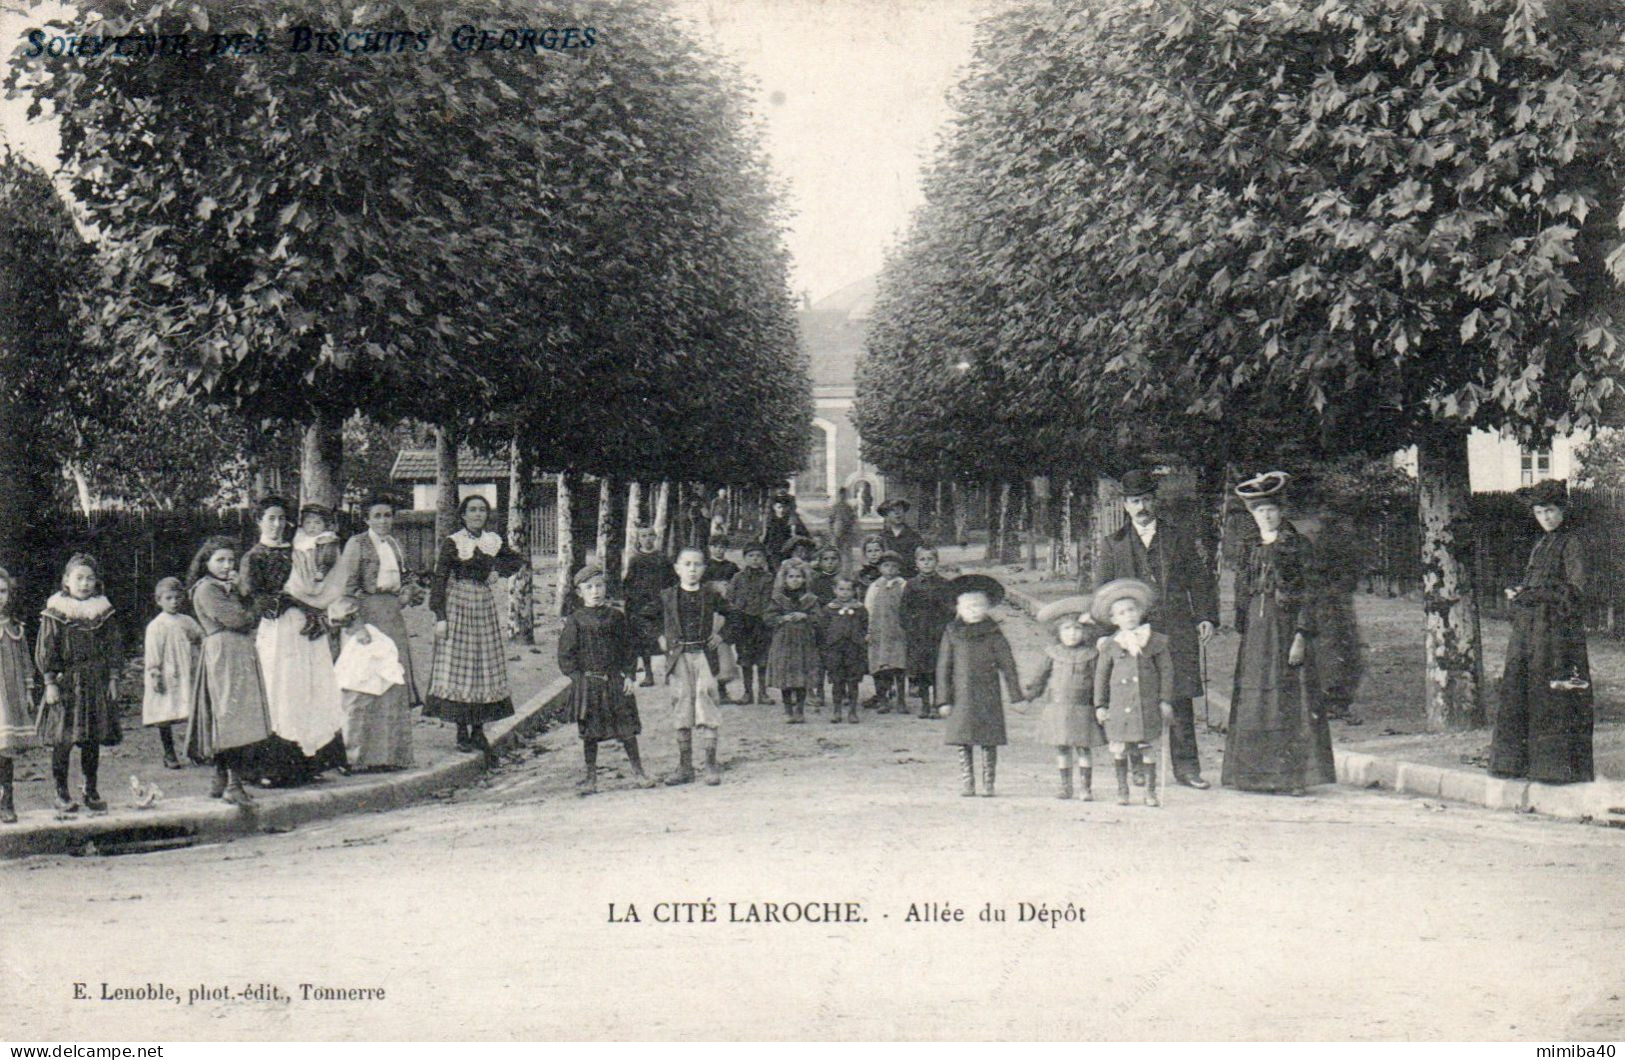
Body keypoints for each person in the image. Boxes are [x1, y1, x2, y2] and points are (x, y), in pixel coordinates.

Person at [1097, 468, 1219, 789]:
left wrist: (1205, 615)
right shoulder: (1114, 545)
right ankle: (1138, 765)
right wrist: (1106, 636)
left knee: (1179, 697)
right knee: (1136, 696)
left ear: (1155, 501)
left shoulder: (1178, 537)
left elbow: (1199, 579)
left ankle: (1188, 768)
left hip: (1176, 629)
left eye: (1147, 499)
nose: (1142, 507)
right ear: (1125, 505)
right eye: (1135, 501)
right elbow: (1103, 593)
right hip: (1133, 632)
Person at [1221, 472, 1336, 796]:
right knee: (1255, 699)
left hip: (1285, 628)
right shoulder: (1249, 546)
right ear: (1252, 514)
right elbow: (1241, 589)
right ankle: (1253, 776)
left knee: (1288, 699)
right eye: (1259, 511)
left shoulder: (1297, 545)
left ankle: (1291, 777)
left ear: (1280, 510)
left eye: (1271, 509)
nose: (1267, 516)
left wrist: (1301, 633)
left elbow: (1311, 592)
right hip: (1257, 632)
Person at [1490, 479, 1595, 784]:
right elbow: (1541, 585)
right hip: (1531, 630)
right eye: (1539, 512)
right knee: (1525, 688)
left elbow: (1575, 590)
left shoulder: (1572, 542)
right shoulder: (1542, 543)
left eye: (1550, 511)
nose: (1546, 518)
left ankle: (1557, 769)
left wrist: (1533, 595)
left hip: (1558, 633)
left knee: (1553, 693)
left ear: (1562, 509)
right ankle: (1521, 765)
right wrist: (1523, 591)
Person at [241, 497, 347, 785]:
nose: (276, 525)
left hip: (306, 626)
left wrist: (316, 610)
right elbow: (255, 599)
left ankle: (308, 762)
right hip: (278, 630)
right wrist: (288, 599)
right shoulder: (254, 556)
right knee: (280, 689)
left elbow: (319, 583)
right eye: (270, 518)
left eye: (281, 519)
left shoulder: (298, 549)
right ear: (259, 521)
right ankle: (272, 767)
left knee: (309, 688)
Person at [427, 494, 527, 754]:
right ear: (463, 515)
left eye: (482, 510)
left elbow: (516, 560)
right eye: (472, 510)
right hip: (458, 603)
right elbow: (439, 579)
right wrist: (440, 616)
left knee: (483, 664)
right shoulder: (454, 542)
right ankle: (461, 731)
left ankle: (479, 730)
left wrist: (498, 571)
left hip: (483, 604)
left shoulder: (493, 540)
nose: (477, 514)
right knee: (460, 666)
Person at [184, 537, 272, 806]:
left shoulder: (226, 588)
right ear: (206, 562)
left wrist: (239, 591)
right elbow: (239, 619)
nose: (226, 565)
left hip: (238, 652)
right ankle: (234, 785)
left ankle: (220, 779)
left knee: (233, 714)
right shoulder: (207, 590)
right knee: (231, 717)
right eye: (219, 560)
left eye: (231, 560)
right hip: (224, 653)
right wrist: (254, 601)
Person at [36, 553, 122, 813]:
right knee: (64, 738)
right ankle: (61, 791)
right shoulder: (57, 612)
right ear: (66, 581)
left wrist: (113, 678)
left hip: (95, 680)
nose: (85, 584)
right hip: (67, 682)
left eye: (90, 579)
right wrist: (50, 681)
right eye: (79, 578)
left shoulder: (102, 611)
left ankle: (90, 789)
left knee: (92, 738)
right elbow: (46, 649)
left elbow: (114, 646)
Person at [558, 564, 654, 795]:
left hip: (615, 682)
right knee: (590, 732)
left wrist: (630, 675)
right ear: (580, 593)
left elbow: (629, 648)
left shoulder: (616, 617)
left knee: (627, 728)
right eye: (589, 587)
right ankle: (591, 778)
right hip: (589, 684)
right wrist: (578, 678)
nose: (595, 591)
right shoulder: (576, 621)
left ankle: (639, 772)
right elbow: (565, 655)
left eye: (599, 585)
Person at [1092, 579, 1174, 807]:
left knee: (1147, 745)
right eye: (1121, 612)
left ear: (1140, 612)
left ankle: (1150, 791)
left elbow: (1167, 672)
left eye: (1132, 610)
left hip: (1146, 705)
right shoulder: (1110, 645)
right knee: (1119, 747)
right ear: (1113, 619)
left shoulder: (1155, 641)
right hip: (1119, 706)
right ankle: (1122, 790)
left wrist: (1165, 700)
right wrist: (1100, 705)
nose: (1128, 616)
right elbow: (1101, 676)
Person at [936, 575, 1021, 797]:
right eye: (969, 606)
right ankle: (968, 782)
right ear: (959, 608)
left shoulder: (994, 633)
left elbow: (1008, 665)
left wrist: (1016, 696)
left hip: (987, 694)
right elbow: (943, 668)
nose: (974, 610)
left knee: (988, 738)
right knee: (963, 740)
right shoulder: (952, 632)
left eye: (979, 605)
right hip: (961, 696)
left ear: (987, 607)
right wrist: (943, 700)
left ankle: (989, 782)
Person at [341, 495, 422, 714]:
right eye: (377, 516)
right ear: (366, 519)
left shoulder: (394, 544)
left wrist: (409, 592)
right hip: (368, 614)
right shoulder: (357, 544)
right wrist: (356, 626)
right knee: (369, 672)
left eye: (387, 516)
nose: (383, 521)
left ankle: (391, 726)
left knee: (394, 666)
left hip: (392, 614)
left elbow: (407, 577)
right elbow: (345, 589)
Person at [1025, 596, 1107, 800]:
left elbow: (1100, 682)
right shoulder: (1053, 653)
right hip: (1058, 709)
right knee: (1062, 748)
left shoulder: (1091, 655)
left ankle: (1085, 787)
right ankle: (1065, 786)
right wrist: (1027, 696)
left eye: (1077, 629)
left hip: (1083, 709)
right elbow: (1040, 678)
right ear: (1058, 633)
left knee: (1083, 749)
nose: (1072, 634)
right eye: (1067, 629)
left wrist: (1101, 704)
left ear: (1085, 632)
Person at [660, 547, 725, 785]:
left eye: (697, 564)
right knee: (681, 703)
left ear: (704, 569)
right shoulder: (667, 596)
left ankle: (710, 764)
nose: (692, 569)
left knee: (706, 700)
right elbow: (644, 618)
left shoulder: (710, 595)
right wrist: (659, 638)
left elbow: (736, 615)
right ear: (677, 569)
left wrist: (722, 635)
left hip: (704, 656)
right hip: (679, 658)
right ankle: (685, 766)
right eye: (686, 564)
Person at [329, 596, 413, 772]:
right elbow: (348, 590)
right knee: (358, 688)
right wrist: (356, 625)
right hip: (359, 625)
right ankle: (351, 756)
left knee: (385, 687)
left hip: (384, 622)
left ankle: (385, 756)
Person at [143, 576, 201, 770]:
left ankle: (195, 750)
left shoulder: (187, 620)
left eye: (177, 598)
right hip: (168, 672)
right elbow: (153, 652)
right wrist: (155, 673)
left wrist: (197, 639)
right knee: (165, 711)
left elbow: (200, 638)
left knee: (191, 709)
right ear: (159, 600)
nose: (174, 602)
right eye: (168, 598)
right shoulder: (156, 626)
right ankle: (169, 753)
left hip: (187, 670)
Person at [0, 568, 38, 823]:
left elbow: (25, 661)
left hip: (8, 697)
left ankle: (7, 801)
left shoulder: (15, 627)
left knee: (4, 751)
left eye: (2, 591)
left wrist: (28, 691)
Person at [902, 545, 954, 719]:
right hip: (919, 633)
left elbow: (950, 609)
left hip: (938, 632)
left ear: (937, 561)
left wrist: (947, 626)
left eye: (930, 559)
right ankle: (924, 704)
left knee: (939, 669)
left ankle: (936, 704)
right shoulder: (911, 585)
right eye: (922, 560)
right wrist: (910, 628)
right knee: (922, 670)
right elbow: (904, 610)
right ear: (916, 563)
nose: (926, 563)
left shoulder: (945, 584)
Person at [767, 561, 821, 724]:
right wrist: (782, 618)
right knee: (786, 675)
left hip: (804, 642)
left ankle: (800, 709)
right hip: (784, 641)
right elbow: (768, 618)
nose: (795, 580)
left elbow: (819, 618)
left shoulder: (810, 599)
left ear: (805, 579)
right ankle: (787, 709)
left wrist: (806, 616)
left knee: (802, 675)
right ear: (784, 579)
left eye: (799, 577)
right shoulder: (777, 599)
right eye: (791, 577)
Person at [623, 526, 676, 687]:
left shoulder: (662, 558)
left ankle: (669, 672)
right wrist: (632, 603)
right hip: (642, 607)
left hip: (661, 605)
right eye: (643, 536)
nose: (647, 539)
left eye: (650, 535)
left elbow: (672, 581)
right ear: (639, 539)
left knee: (665, 638)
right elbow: (629, 584)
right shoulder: (635, 560)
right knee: (644, 641)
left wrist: (668, 600)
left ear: (655, 537)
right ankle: (648, 675)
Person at [725, 543, 774, 704]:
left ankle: (763, 693)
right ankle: (747, 693)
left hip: (762, 622)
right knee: (745, 658)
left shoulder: (769, 578)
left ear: (764, 559)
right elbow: (730, 598)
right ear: (745, 558)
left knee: (763, 658)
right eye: (751, 556)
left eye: (759, 556)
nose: (755, 559)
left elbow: (773, 599)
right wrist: (737, 612)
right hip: (744, 622)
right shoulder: (738, 578)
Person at [817, 577, 867, 724]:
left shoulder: (860, 608)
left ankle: (852, 711)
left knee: (853, 681)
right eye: (841, 589)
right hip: (835, 649)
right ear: (834, 590)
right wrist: (827, 646)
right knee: (837, 681)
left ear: (854, 591)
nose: (845, 593)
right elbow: (822, 628)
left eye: (848, 589)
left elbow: (865, 626)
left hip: (853, 648)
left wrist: (861, 639)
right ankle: (837, 711)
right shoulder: (829, 609)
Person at [865, 550, 909, 713]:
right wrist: (869, 630)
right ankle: (882, 699)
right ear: (880, 568)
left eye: (894, 566)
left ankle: (901, 701)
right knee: (880, 666)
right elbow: (868, 609)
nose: (890, 569)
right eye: (886, 566)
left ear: (899, 569)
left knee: (899, 665)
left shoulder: (904, 585)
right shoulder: (875, 586)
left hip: (898, 632)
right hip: (879, 631)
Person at [703, 537, 742, 703]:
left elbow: (737, 585)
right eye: (715, 547)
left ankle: (723, 689)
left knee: (723, 648)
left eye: (722, 547)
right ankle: (707, 691)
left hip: (725, 608)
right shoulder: (705, 567)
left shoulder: (732, 567)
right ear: (710, 548)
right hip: (710, 609)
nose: (719, 550)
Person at [876, 499, 925, 578]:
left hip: (909, 577)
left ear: (904, 512)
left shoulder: (914, 536)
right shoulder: (882, 537)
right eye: (892, 510)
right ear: (886, 515)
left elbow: (921, 560)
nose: (897, 513)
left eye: (900, 509)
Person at [763, 494, 810, 566]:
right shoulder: (771, 521)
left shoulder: (793, 520)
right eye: (779, 507)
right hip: (774, 552)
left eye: (785, 507)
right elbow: (767, 538)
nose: (782, 510)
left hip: (790, 552)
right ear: (774, 507)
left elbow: (804, 535)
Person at [829, 487, 859, 572]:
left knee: (847, 554)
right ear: (839, 495)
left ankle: (847, 571)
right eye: (841, 494)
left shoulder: (849, 507)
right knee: (836, 553)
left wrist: (852, 530)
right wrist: (832, 533)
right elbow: (831, 521)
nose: (842, 496)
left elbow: (853, 520)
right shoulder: (835, 507)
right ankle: (837, 571)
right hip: (837, 534)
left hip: (846, 534)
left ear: (846, 495)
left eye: (844, 494)